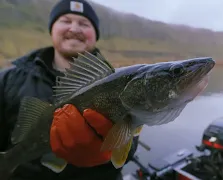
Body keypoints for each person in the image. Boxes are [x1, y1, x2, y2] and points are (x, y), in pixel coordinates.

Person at [0, 0, 139, 179]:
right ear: (52, 29)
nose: (74, 29)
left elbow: (127, 150)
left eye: (84, 23)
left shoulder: (121, 83)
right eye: (66, 21)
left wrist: (104, 156)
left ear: (95, 35)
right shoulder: (7, 80)